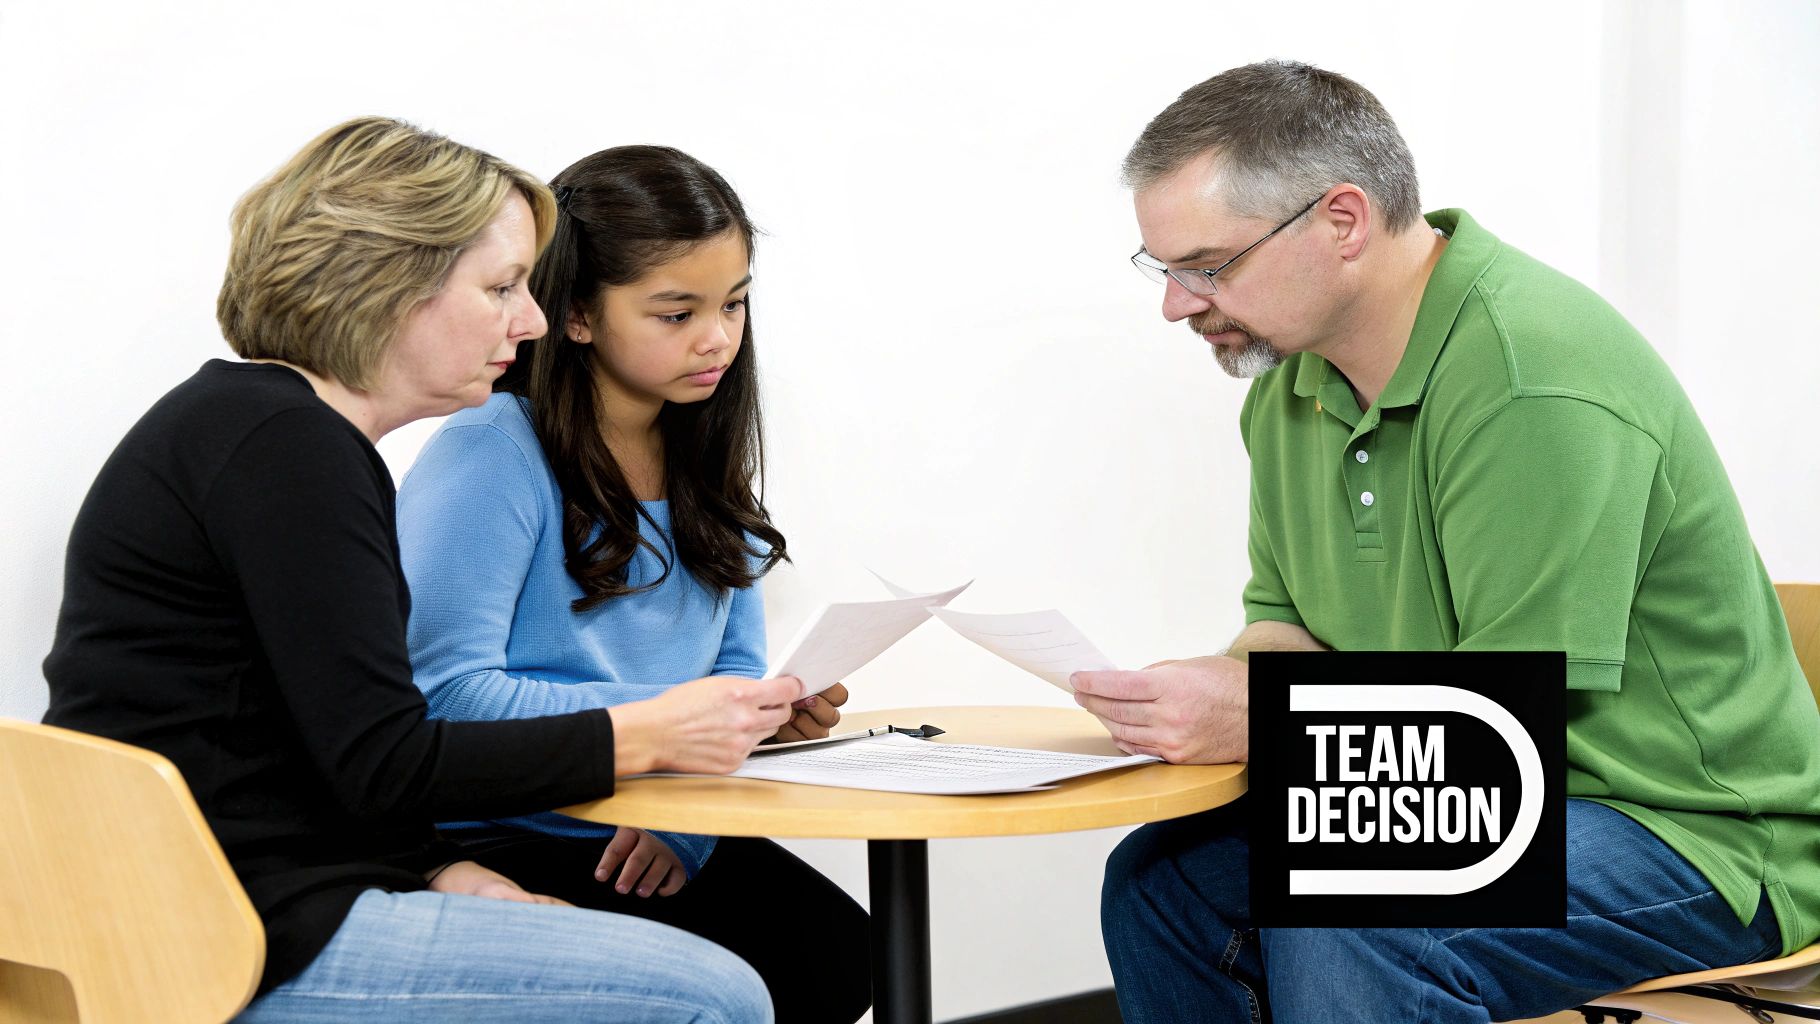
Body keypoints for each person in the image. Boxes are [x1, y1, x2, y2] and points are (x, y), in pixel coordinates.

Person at [1071, 60, 1820, 1024]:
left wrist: (1267, 721)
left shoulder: (1533, 380)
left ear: (1343, 222)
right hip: (1460, 790)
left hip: (1684, 829)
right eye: (1165, 269)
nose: (1178, 304)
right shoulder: (1289, 391)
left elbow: (1502, 728)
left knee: (1355, 909)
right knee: (1162, 882)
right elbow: (1286, 625)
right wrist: (1222, 691)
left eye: (1208, 267)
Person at [41, 116, 806, 1023]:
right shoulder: (287, 452)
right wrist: (647, 733)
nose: (532, 320)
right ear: (388, 286)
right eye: (502, 287)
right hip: (208, 926)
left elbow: (337, 750)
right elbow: (388, 757)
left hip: (239, 890)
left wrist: (441, 869)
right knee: (717, 996)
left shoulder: (272, 434)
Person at [394, 144, 871, 1023]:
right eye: (676, 312)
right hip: (505, 832)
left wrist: (725, 766)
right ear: (577, 315)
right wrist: (683, 722)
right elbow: (443, 697)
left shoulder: (702, 461)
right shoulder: (491, 450)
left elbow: (733, 673)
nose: (716, 337)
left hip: (658, 814)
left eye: (734, 303)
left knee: (842, 958)